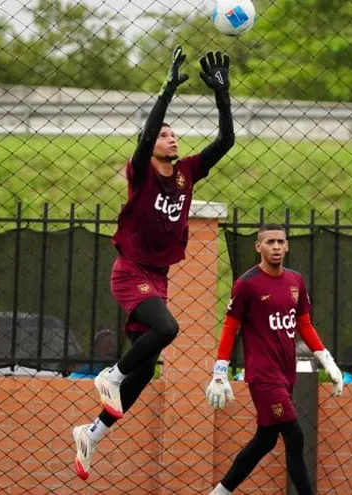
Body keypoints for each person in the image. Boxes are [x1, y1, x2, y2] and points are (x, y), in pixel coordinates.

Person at [72, 46, 235, 480]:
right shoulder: (142, 170)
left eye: (174, 134)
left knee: (145, 371)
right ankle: (112, 373)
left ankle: (92, 433)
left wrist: (222, 95)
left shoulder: (186, 173)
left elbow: (226, 142)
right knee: (166, 330)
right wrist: (167, 90)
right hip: (130, 270)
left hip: (157, 278)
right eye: (165, 134)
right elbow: (144, 139)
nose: (172, 138)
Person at [205, 224, 344, 495]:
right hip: (263, 376)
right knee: (295, 436)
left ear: (287, 245)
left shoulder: (295, 281)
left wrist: (327, 359)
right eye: (270, 242)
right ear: (259, 247)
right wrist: (219, 370)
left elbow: (304, 323)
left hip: (285, 373)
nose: (276, 247)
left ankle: (219, 493)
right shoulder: (247, 283)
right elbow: (230, 326)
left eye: (281, 241)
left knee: (265, 440)